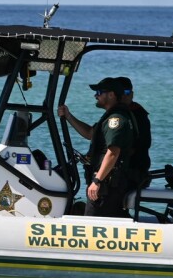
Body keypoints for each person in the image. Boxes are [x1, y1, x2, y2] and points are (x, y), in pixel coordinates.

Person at [58, 77, 135, 217]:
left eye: (99, 92)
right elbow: (89, 133)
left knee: (93, 223)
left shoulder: (115, 120)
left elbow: (113, 152)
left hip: (107, 185)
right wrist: (68, 116)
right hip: (108, 184)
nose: (96, 95)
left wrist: (97, 181)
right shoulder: (111, 117)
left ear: (111, 95)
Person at [115, 76, 151, 189]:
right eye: (121, 92)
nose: (125, 95)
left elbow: (140, 145)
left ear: (132, 94)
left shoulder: (138, 115)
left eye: (127, 92)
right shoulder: (119, 114)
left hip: (133, 173)